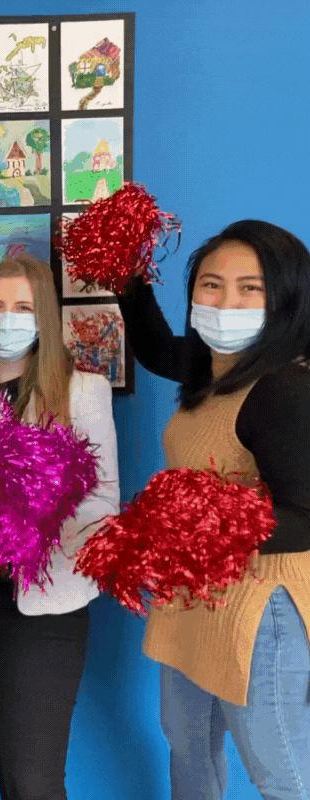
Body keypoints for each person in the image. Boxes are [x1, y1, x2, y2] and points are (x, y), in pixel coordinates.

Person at [117, 220, 310, 800]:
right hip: (192, 600)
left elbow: (305, 515)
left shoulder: (283, 387)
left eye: (250, 288)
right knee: (189, 750)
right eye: (211, 285)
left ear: (285, 298)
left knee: (281, 775)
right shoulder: (215, 367)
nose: (226, 305)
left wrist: (194, 521)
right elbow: (158, 349)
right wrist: (126, 269)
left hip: (258, 609)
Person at [0, 255, 120, 800]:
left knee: (34, 781)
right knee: (10, 771)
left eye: (23, 308)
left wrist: (29, 517)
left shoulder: (81, 391)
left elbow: (103, 501)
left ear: (46, 320)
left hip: (44, 609)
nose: (6, 319)